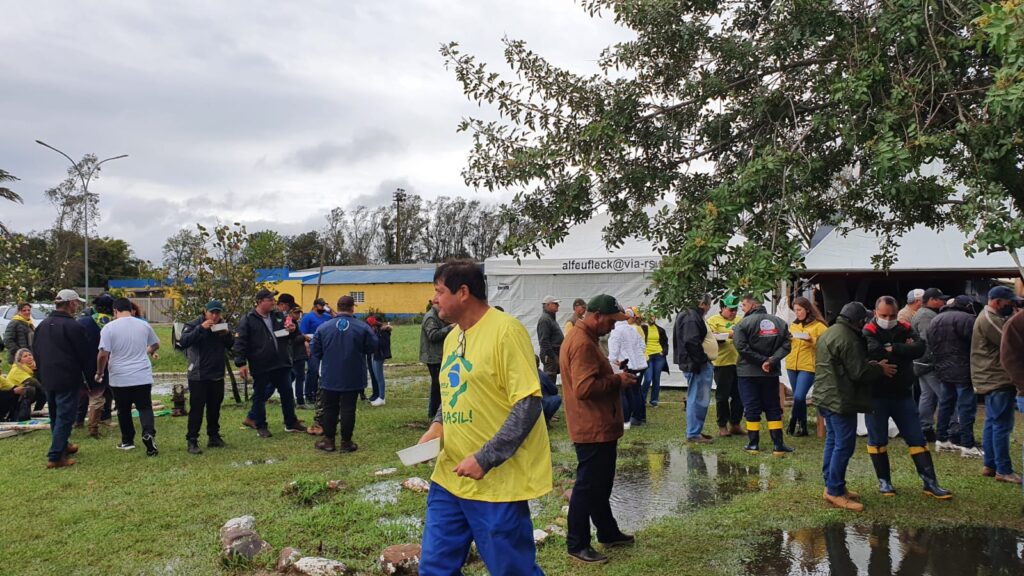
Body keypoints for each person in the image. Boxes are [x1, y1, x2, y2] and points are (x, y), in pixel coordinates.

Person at [416, 260, 552, 575]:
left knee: (512, 570)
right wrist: (437, 426)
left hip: (495, 482)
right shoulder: (452, 337)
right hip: (449, 478)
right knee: (435, 568)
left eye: (439, 291)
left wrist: (486, 457)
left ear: (463, 292)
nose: (434, 299)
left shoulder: (506, 331)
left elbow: (528, 402)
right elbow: (453, 393)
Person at [560, 294, 636, 564]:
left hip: (597, 425)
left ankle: (607, 531)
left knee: (600, 484)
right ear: (597, 317)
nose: (613, 327)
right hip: (591, 426)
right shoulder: (582, 343)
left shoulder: (586, 338)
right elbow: (584, 388)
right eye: (612, 321)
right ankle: (577, 543)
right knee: (587, 486)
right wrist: (617, 381)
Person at [863, 296, 952, 498]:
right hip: (876, 394)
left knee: (916, 438)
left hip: (903, 394)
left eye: (892, 315)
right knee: (877, 439)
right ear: (876, 312)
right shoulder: (868, 331)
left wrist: (893, 348)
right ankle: (884, 482)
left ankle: (930, 483)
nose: (888, 318)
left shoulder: (904, 326)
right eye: (884, 315)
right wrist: (901, 350)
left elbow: (919, 348)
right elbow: (872, 352)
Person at [814, 302, 895, 511]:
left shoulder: (831, 331)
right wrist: (879, 368)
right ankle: (834, 491)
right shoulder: (849, 338)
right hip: (840, 399)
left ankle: (832, 484)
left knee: (833, 442)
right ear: (858, 320)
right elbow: (859, 372)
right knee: (843, 445)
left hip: (825, 396)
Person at [309, 295, 378, 452]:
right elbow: (372, 347)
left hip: (330, 375)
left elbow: (315, 350)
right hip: (352, 375)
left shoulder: (324, 327)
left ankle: (329, 441)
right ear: (352, 307)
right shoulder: (362, 327)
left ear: (337, 307)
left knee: (329, 408)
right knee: (348, 408)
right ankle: (346, 443)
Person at [234, 288, 305, 438]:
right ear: (260, 302)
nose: (274, 303)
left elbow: (293, 335)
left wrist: (292, 329)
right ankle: (261, 425)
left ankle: (291, 422)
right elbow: (240, 343)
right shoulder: (248, 320)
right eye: (270, 300)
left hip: (281, 362)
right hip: (261, 365)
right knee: (260, 396)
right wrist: (241, 363)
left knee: (287, 393)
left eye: (274, 300)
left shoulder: (279, 316)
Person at [33, 289, 91, 469]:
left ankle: (63, 444)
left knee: (55, 414)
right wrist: (91, 378)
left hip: (47, 377)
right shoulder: (74, 326)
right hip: (67, 376)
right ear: (71, 303)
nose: (77, 306)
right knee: (65, 416)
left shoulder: (43, 325)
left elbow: (36, 351)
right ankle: (56, 456)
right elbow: (85, 355)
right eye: (76, 303)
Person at [96, 298, 161, 456]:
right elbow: (156, 344)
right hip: (142, 374)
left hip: (120, 376)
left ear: (115, 311)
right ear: (131, 310)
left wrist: (100, 372)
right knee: (145, 407)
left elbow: (103, 354)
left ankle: (127, 441)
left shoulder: (109, 328)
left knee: (123, 409)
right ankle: (148, 433)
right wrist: (145, 351)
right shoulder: (143, 324)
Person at [733, 294, 793, 455]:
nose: (743, 309)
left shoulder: (742, 324)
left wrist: (761, 361)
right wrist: (771, 360)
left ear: (752, 305)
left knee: (752, 407)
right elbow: (787, 344)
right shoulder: (779, 323)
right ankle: (778, 445)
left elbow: (741, 347)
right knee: (773, 407)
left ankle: (753, 444)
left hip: (748, 373)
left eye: (744, 306)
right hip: (771, 373)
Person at [973, 286, 1022, 483]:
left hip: (992, 377)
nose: (1012, 305)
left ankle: (990, 464)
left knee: (992, 423)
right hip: (997, 378)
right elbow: (1011, 341)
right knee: (1002, 425)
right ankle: (1003, 469)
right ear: (996, 301)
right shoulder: (990, 320)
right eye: (1009, 302)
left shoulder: (992, 317)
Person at [178, 300, 233, 455]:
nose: (215, 316)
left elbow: (231, 345)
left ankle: (213, 436)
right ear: (205, 311)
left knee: (215, 407)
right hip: (198, 374)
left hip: (216, 373)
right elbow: (183, 341)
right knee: (197, 408)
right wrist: (201, 329)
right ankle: (192, 440)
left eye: (218, 313)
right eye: (212, 313)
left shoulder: (222, 324)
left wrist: (227, 334)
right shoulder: (193, 324)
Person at [928, 295, 979, 456]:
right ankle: (967, 445)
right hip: (963, 370)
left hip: (942, 369)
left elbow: (930, 342)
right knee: (966, 408)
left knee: (945, 405)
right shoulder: (968, 319)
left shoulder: (936, 319)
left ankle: (941, 439)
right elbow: (976, 344)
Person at [674, 293, 716, 443]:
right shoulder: (691, 317)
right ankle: (693, 433)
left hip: (696, 363)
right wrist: (702, 360)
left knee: (699, 397)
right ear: (702, 304)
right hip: (696, 364)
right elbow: (691, 342)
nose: (708, 308)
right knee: (697, 397)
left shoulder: (691, 315)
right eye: (708, 305)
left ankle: (695, 430)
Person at [785, 297, 828, 437]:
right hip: (792, 364)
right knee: (800, 398)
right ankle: (803, 427)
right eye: (795, 310)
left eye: (799, 310)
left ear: (807, 309)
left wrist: (811, 340)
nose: (797, 313)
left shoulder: (819, 326)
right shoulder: (794, 325)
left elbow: (826, 346)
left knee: (798, 396)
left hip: (808, 366)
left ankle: (793, 421)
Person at [912, 287, 950, 442]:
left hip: (921, 362)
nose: (944, 301)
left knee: (927, 396)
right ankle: (948, 430)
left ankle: (925, 428)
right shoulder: (926, 315)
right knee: (945, 396)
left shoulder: (924, 313)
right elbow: (928, 339)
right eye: (941, 299)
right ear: (933, 300)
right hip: (928, 363)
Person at [707, 295, 744, 436]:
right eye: (730, 309)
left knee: (739, 396)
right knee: (722, 396)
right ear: (722, 308)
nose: (733, 312)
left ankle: (735, 424)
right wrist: (728, 334)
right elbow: (711, 337)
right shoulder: (713, 321)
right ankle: (722, 426)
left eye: (735, 309)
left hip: (739, 363)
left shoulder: (740, 320)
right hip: (722, 364)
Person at [608, 307, 647, 428]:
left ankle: (626, 421)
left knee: (623, 393)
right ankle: (639, 417)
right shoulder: (633, 329)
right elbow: (642, 346)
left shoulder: (616, 332)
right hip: (639, 365)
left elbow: (613, 353)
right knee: (637, 391)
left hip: (625, 365)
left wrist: (614, 361)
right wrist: (637, 356)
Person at [300, 298, 333, 430]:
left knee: (324, 371)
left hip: (325, 347)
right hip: (313, 346)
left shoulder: (327, 316)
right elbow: (302, 333)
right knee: (313, 370)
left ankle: (322, 394)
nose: (323, 307)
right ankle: (309, 394)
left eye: (324, 305)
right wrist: (306, 346)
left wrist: (331, 311)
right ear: (315, 306)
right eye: (321, 305)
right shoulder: (308, 317)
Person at [420, 301, 453, 420]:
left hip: (437, 356)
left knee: (438, 385)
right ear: (436, 305)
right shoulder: (430, 317)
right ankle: (433, 412)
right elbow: (433, 335)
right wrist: (450, 327)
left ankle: (435, 411)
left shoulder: (437, 316)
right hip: (433, 357)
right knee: (437, 386)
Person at [4, 348, 43, 421]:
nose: (29, 357)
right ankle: (17, 415)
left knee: (41, 392)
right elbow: (34, 382)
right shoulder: (17, 369)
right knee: (32, 389)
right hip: (11, 397)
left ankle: (36, 412)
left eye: (30, 355)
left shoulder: (28, 368)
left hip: (18, 396)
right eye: (25, 356)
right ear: (19, 360)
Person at [365, 316, 392, 407]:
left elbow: (382, 345)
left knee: (379, 377)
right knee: (377, 377)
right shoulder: (377, 331)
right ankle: (379, 397)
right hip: (375, 355)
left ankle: (381, 397)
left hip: (379, 356)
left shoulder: (382, 332)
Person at [537, 295, 564, 382]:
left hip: (553, 354)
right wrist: (553, 357)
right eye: (555, 304)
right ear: (548, 305)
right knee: (550, 380)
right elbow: (544, 341)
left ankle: (551, 395)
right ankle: (549, 395)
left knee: (552, 379)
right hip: (549, 355)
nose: (558, 305)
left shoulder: (550, 318)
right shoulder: (545, 320)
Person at [288, 306, 309, 409]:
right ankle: (300, 401)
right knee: (299, 378)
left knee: (292, 378)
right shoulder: (290, 324)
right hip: (296, 355)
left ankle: (291, 399)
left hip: (297, 354)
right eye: (295, 313)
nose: (297, 315)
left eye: (299, 313)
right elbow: (292, 340)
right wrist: (303, 337)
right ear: (290, 313)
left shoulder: (295, 323)